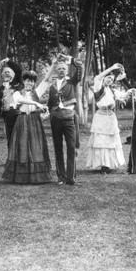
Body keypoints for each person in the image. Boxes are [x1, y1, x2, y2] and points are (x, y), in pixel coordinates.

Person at [2, 71, 52, 184]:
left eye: (32, 81)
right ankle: (21, 174)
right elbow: (19, 100)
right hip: (22, 121)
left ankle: (37, 175)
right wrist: (37, 104)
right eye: (28, 80)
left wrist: (53, 64)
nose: (30, 83)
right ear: (24, 81)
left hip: (34, 121)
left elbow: (46, 80)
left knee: (36, 146)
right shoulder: (17, 93)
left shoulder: (36, 92)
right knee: (22, 146)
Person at [86, 63, 128, 174]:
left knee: (111, 141)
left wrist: (127, 85)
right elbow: (98, 77)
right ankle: (103, 165)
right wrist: (113, 68)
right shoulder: (98, 87)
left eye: (112, 79)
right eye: (108, 78)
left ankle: (110, 164)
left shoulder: (111, 90)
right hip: (101, 116)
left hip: (111, 117)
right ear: (104, 78)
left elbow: (124, 94)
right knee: (102, 141)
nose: (110, 80)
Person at [47, 54, 82, 185]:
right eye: (59, 68)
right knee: (58, 148)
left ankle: (71, 177)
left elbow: (80, 66)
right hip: (55, 119)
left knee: (71, 147)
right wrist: (49, 112)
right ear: (56, 71)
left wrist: (70, 59)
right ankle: (61, 177)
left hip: (68, 118)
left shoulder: (72, 82)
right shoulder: (52, 86)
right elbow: (50, 103)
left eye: (63, 68)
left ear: (67, 70)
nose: (61, 70)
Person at [0, 58, 23, 145]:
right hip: (7, 115)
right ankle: (12, 157)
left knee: (20, 137)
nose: (7, 73)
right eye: (5, 72)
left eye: (9, 71)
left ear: (13, 74)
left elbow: (18, 70)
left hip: (18, 113)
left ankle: (21, 157)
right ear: (2, 75)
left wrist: (7, 61)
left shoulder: (17, 83)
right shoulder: (1, 88)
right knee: (10, 137)